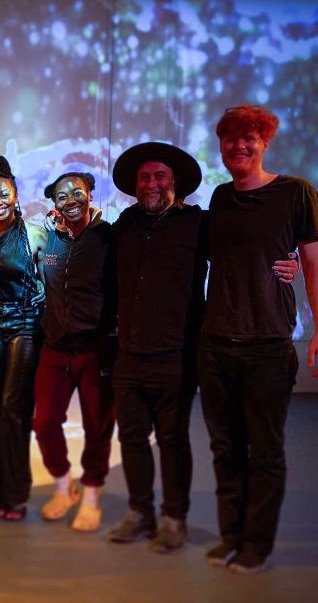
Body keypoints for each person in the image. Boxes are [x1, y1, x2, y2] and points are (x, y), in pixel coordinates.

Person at [199, 104, 318, 574]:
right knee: (225, 447)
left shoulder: (295, 193)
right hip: (216, 343)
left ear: (265, 142)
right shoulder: (220, 199)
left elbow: (312, 263)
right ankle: (231, 536)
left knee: (264, 450)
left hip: (268, 343)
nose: (239, 146)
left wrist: (317, 330)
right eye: (230, 139)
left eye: (250, 137)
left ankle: (257, 544)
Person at [106, 143, 207, 553]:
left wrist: (287, 259)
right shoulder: (123, 226)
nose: (151, 183)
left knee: (172, 439)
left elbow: (239, 257)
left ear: (174, 182)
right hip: (128, 355)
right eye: (145, 177)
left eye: (159, 176)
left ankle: (174, 517)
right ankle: (140, 512)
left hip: (176, 356)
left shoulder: (198, 225)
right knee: (131, 437)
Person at [33, 171, 117, 532]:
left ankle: (93, 493)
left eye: (77, 193)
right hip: (54, 347)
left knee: (98, 424)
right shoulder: (47, 237)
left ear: (90, 196)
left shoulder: (107, 237)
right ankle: (64, 485)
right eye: (61, 196)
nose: (70, 200)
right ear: (53, 204)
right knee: (45, 421)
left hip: (95, 348)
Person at [0, 155, 47, 521]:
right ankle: (1, 491)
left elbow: (55, 274)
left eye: (3, 194)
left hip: (23, 326)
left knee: (12, 408)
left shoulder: (36, 232)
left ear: (16, 195)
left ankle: (17, 491)